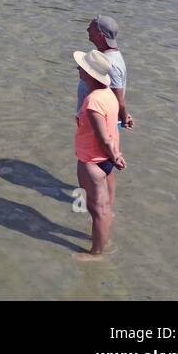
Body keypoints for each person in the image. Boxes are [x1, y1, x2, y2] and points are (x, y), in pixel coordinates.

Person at [74, 47, 125, 259]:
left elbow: (103, 137)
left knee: (98, 211)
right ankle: (101, 241)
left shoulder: (93, 100)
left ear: (88, 74)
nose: (78, 69)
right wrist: (115, 155)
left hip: (93, 160)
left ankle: (96, 254)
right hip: (104, 161)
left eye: (81, 67)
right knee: (102, 209)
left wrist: (115, 156)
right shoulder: (109, 94)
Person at [76, 16, 132, 129]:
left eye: (90, 28)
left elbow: (118, 99)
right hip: (93, 123)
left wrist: (124, 117)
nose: (87, 30)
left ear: (100, 36)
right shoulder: (111, 56)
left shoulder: (109, 63)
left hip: (97, 126)